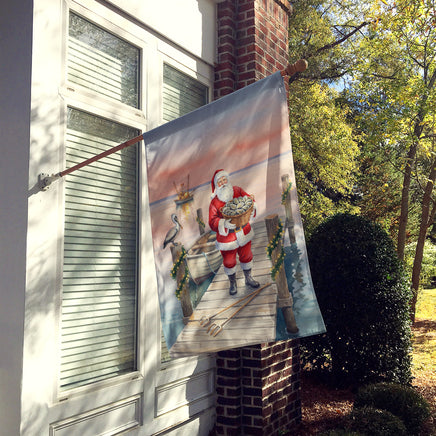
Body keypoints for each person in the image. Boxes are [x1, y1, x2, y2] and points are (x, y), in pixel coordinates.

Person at [208, 169, 259, 295]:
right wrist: (223, 223)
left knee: (246, 255)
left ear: (228, 180)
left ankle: (248, 278)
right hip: (227, 238)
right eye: (220, 182)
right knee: (229, 261)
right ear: (216, 185)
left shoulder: (237, 190)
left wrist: (253, 205)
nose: (223, 183)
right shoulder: (214, 202)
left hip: (243, 231)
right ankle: (233, 283)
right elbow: (212, 221)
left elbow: (249, 201)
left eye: (224, 179)